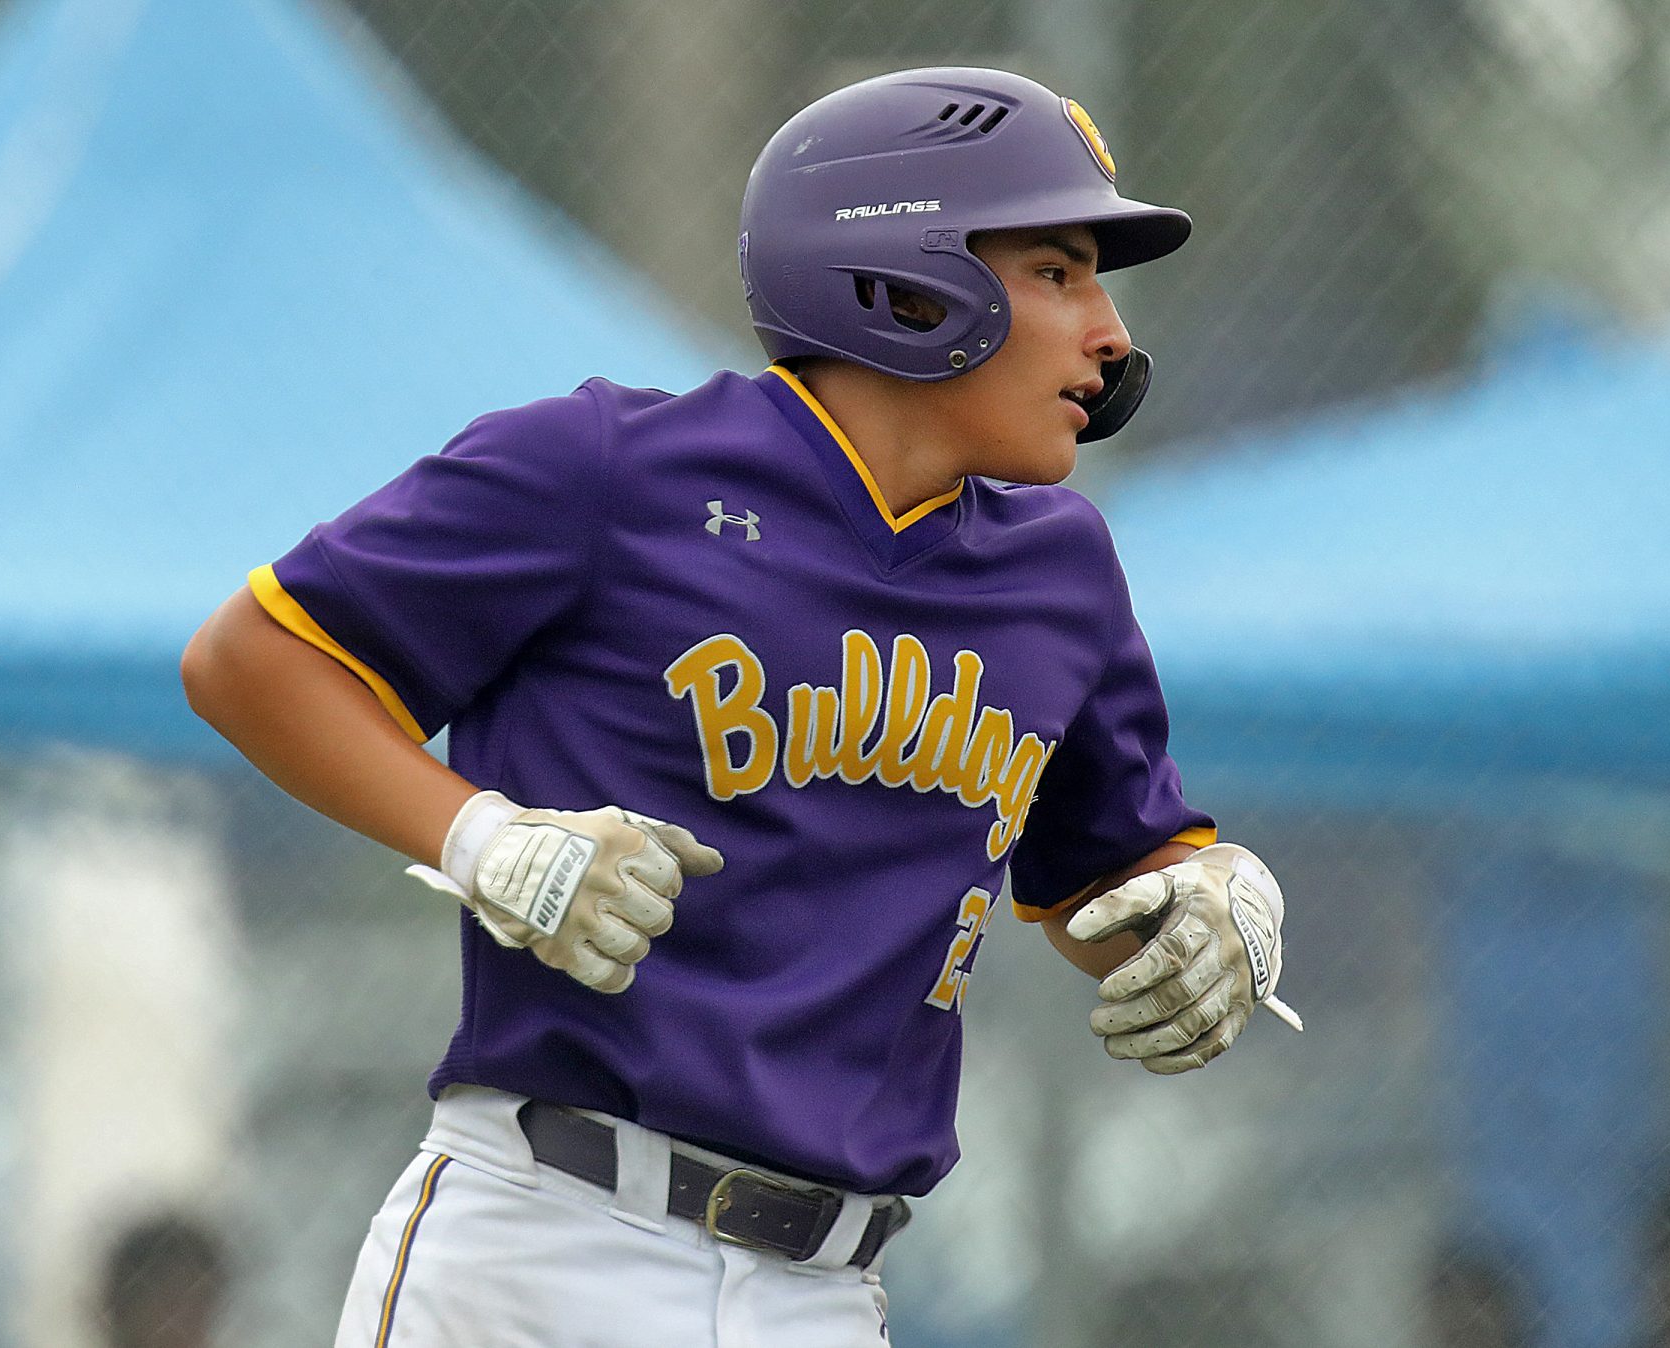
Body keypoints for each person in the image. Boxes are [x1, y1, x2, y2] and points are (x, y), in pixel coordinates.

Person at [182, 65, 1298, 1348]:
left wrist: (1215, 908)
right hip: (547, 1246)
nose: (1109, 332)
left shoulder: (1060, 572)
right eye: (1058, 271)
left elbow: (1115, 891)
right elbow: (254, 658)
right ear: (904, 281)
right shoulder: (609, 470)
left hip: (826, 1293)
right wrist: (483, 838)